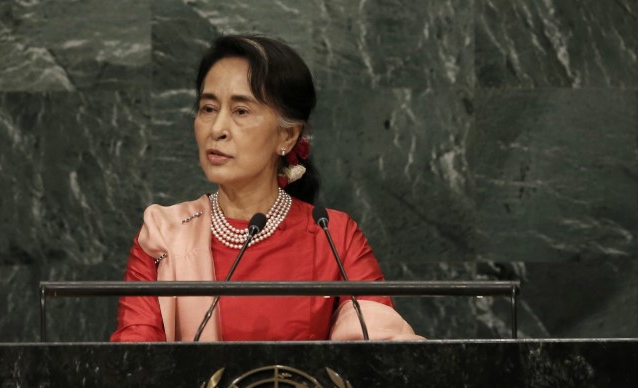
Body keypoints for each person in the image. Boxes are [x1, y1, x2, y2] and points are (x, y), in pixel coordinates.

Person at [111, 34, 422, 342]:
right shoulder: (163, 235)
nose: (217, 129)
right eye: (208, 108)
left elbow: (383, 354)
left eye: (241, 111)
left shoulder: (332, 236)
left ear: (287, 136)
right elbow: (135, 362)